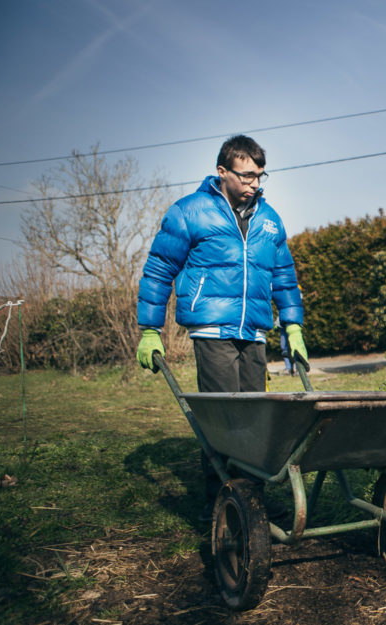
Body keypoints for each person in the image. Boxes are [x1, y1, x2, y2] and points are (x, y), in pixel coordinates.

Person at [135, 134, 307, 519]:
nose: (254, 184)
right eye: (246, 176)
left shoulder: (269, 219)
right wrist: (150, 329)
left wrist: (292, 327)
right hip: (212, 330)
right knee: (226, 420)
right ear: (222, 172)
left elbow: (283, 275)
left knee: (257, 421)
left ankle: (252, 500)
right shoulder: (189, 212)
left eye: (260, 176)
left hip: (254, 333)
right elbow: (159, 270)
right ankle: (222, 505)